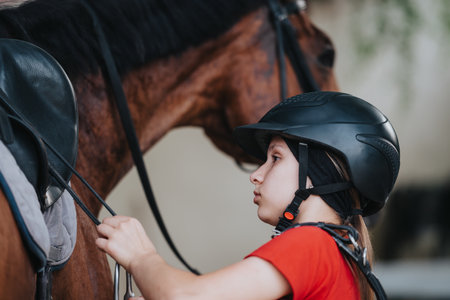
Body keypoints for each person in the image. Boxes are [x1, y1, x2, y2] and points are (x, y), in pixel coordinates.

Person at [96, 91, 400, 300]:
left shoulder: (312, 243)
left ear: (319, 171)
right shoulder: (342, 251)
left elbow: (184, 296)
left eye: (275, 158)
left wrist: (141, 257)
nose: (256, 174)